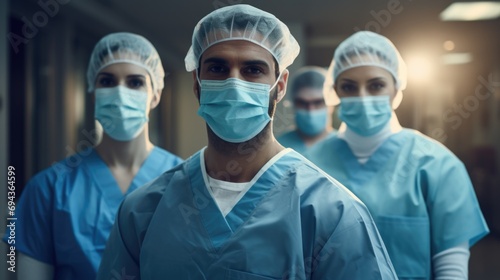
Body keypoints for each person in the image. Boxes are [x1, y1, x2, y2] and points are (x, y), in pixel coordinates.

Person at [97, 5, 398, 280]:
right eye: (218, 68)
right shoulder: (144, 211)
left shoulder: (332, 213)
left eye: (253, 70)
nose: (234, 82)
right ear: (197, 83)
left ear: (279, 86)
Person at [305, 31, 489, 280]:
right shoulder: (308, 166)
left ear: (396, 88)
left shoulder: (437, 165)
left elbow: (450, 268)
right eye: (349, 86)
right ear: (335, 90)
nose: (363, 97)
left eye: (376, 85)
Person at [2, 32, 183, 280]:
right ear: (93, 91)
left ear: (156, 95)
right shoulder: (48, 189)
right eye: (107, 81)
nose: (120, 93)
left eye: (135, 82)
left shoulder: (185, 183)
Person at [277, 66, 336, 154]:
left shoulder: (344, 147)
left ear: (331, 104)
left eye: (318, 102)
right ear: (293, 104)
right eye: (302, 103)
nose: (310, 110)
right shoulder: (278, 148)